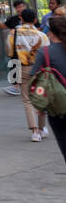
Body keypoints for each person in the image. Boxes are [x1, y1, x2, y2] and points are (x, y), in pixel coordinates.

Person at [29, 13, 66, 160]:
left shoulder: (45, 52)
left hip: (59, 108)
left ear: (51, 33)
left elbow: (36, 78)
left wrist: (40, 106)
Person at [9, 15, 50, 141]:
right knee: (41, 98)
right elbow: (48, 52)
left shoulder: (14, 34)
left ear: (22, 19)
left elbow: (10, 52)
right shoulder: (41, 35)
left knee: (27, 100)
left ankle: (34, 131)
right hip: (39, 69)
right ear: (35, 20)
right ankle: (42, 129)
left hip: (23, 68)